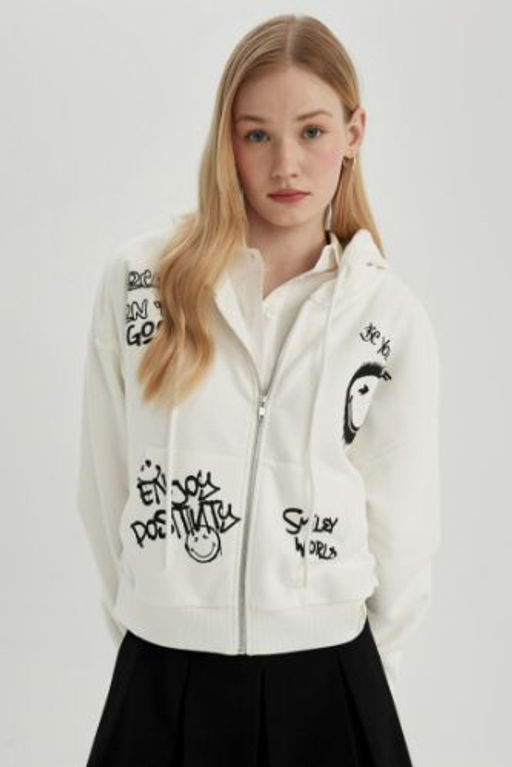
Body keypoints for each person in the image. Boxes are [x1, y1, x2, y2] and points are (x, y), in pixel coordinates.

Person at [77, 13, 441, 767]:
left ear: (353, 133)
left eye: (312, 131)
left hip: (330, 680)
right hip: (161, 679)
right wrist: (162, 613)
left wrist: (354, 669)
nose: (285, 165)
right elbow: (106, 483)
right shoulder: (142, 283)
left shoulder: (388, 316)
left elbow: (403, 528)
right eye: (257, 135)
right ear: (227, 140)